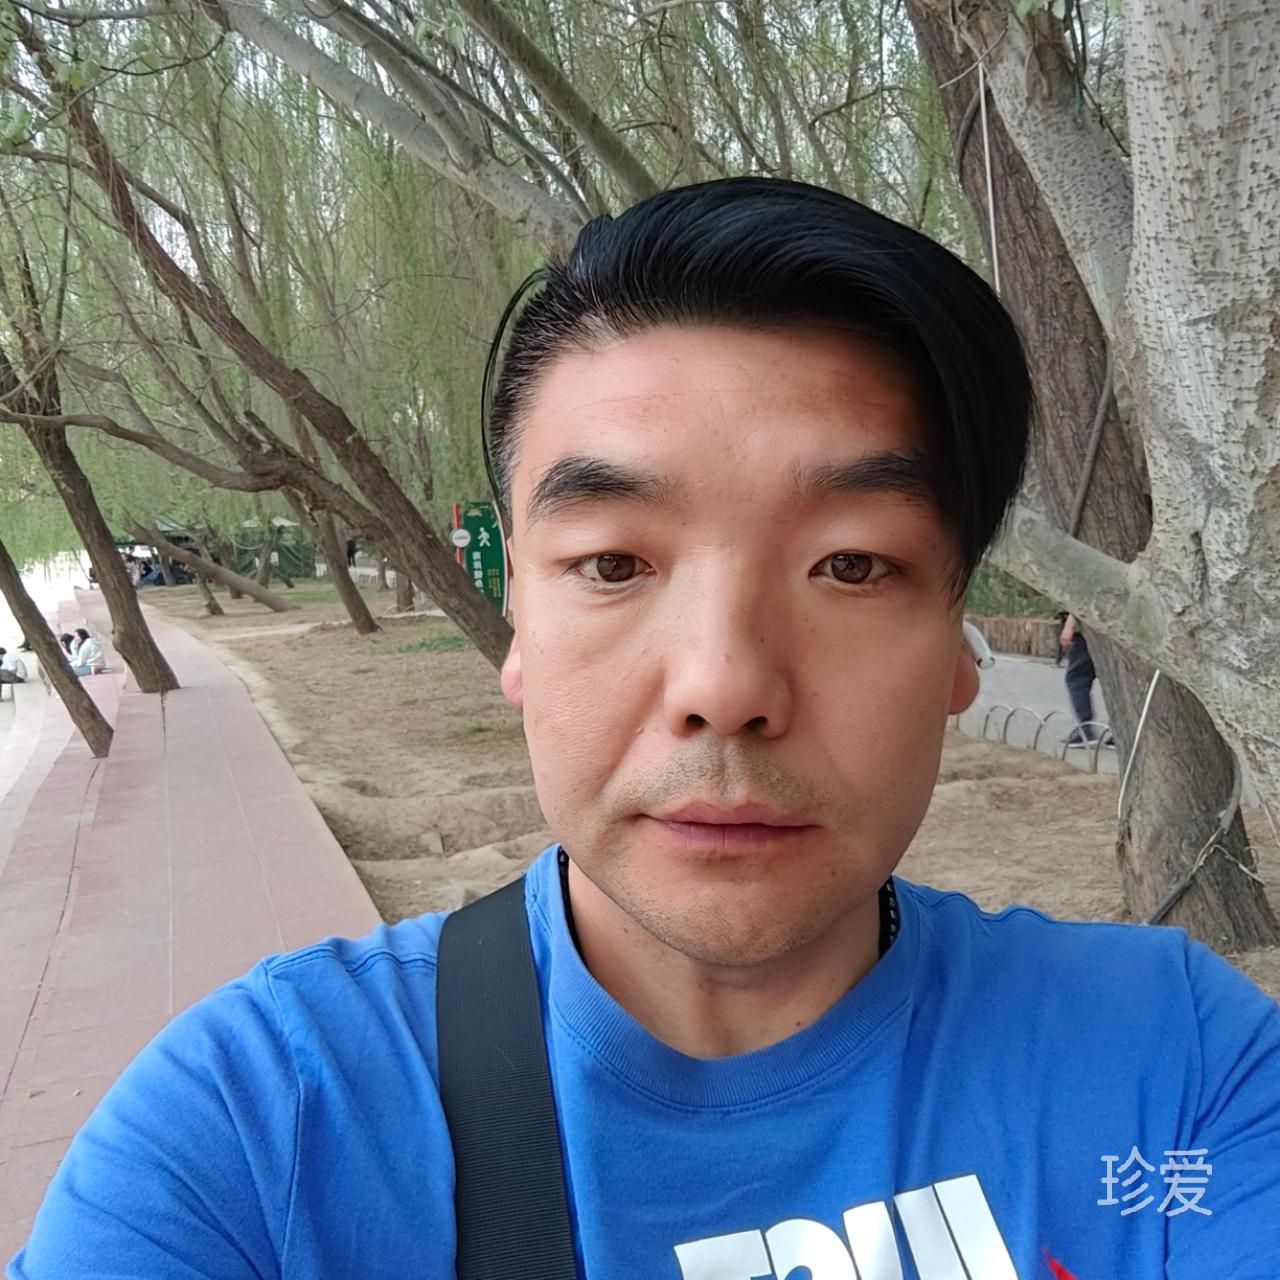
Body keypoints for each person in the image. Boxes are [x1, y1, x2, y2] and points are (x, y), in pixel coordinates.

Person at [10, 180, 1279, 1280]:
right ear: (517, 616)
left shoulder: (1172, 1065)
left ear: (958, 635)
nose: (723, 684)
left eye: (848, 564)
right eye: (613, 561)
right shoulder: (256, 1129)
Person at [1059, 613, 1112, 748]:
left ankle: (1086, 729)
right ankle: (1121, 732)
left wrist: (1069, 626)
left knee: (1077, 678)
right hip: (1115, 631)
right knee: (1115, 682)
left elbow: (1081, 605)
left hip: (1090, 630)